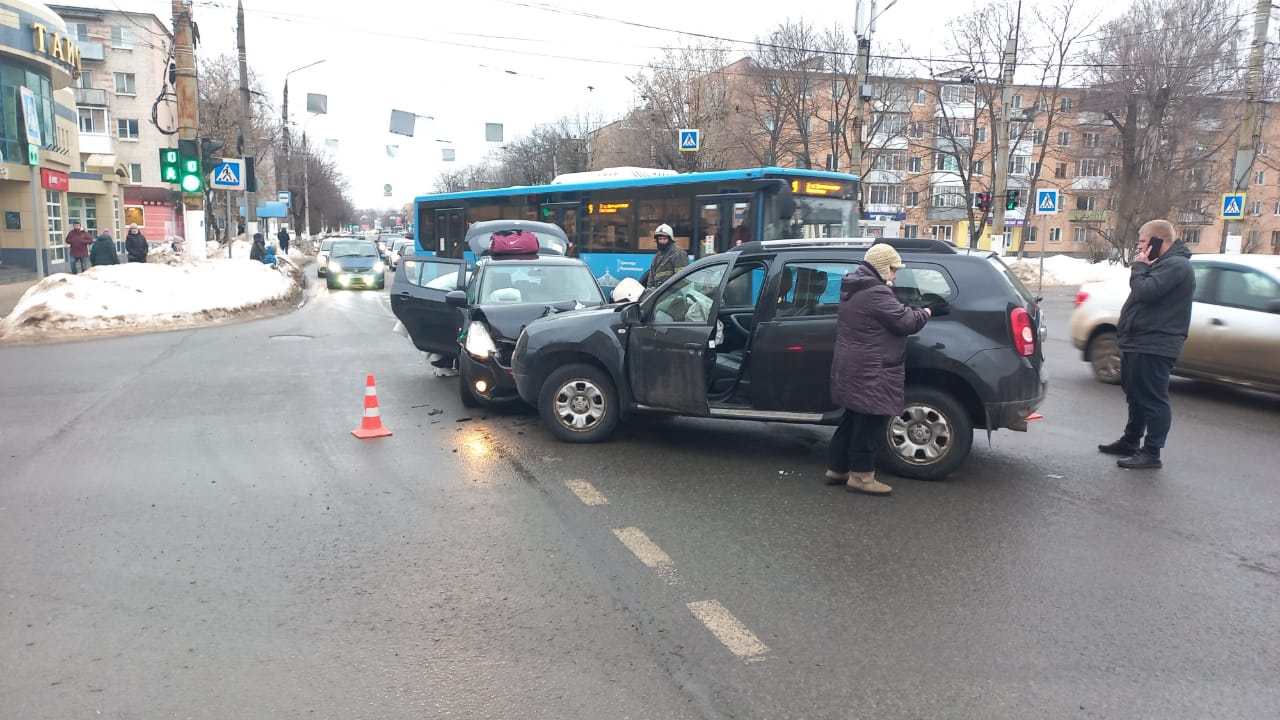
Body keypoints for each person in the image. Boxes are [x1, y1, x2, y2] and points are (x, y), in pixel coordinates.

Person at [827, 244, 932, 496]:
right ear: (882, 266)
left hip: (853, 365)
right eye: (893, 269)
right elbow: (905, 321)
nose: (895, 275)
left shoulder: (855, 287)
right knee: (869, 420)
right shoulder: (876, 292)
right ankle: (861, 477)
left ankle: (837, 468)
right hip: (871, 369)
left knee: (853, 417)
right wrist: (926, 311)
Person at [1097, 219, 1195, 470]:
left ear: (1157, 240)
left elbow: (1145, 292)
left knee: (1153, 400)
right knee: (1136, 396)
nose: (1139, 247)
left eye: (1142, 241)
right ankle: (1130, 441)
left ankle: (1152, 452)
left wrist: (1138, 268)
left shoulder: (1176, 265)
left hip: (1155, 343)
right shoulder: (1162, 263)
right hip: (1139, 341)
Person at [638, 223, 687, 289]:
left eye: (664, 239)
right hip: (661, 294)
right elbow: (651, 280)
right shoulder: (656, 257)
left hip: (673, 294)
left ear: (670, 239)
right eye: (660, 239)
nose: (662, 241)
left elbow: (681, 279)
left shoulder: (678, 254)